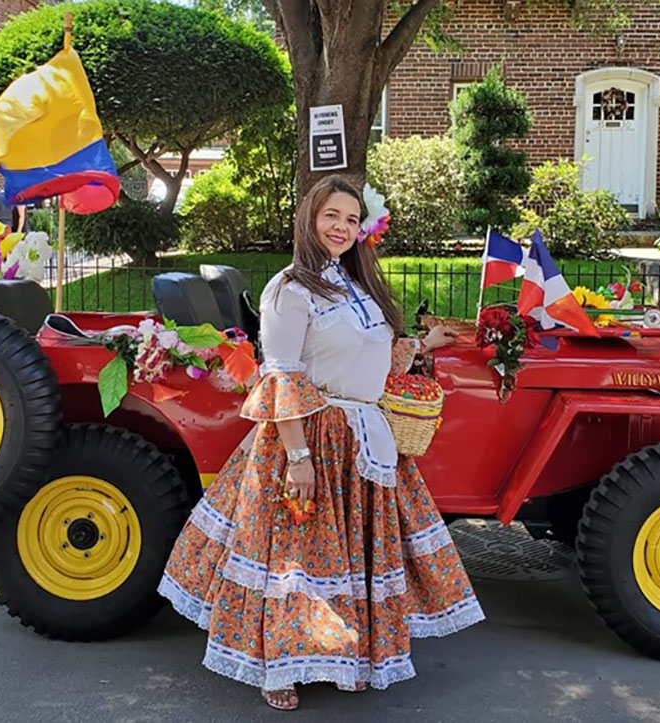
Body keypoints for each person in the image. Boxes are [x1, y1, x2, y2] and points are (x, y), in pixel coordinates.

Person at [158, 175, 484, 710]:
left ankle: (338, 654)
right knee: (294, 561)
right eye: (332, 215)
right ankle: (275, 667)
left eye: (352, 220)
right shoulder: (290, 289)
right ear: (311, 218)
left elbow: (365, 358)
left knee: (346, 561)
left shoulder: (355, 285)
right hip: (309, 434)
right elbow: (282, 374)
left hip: (360, 438)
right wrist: (298, 457)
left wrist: (422, 344)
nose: (342, 228)